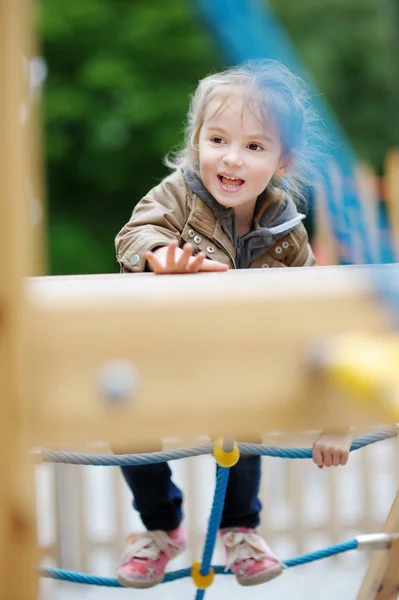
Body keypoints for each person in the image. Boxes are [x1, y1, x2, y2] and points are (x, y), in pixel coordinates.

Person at [114, 59, 352, 588]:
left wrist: (336, 415)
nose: (231, 158)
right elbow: (135, 232)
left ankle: (241, 529)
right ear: (197, 139)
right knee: (124, 419)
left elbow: (318, 315)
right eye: (218, 138)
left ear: (282, 160)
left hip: (232, 362)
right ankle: (159, 528)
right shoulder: (177, 192)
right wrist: (158, 254)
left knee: (242, 420)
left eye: (254, 146)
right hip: (166, 352)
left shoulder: (285, 225)